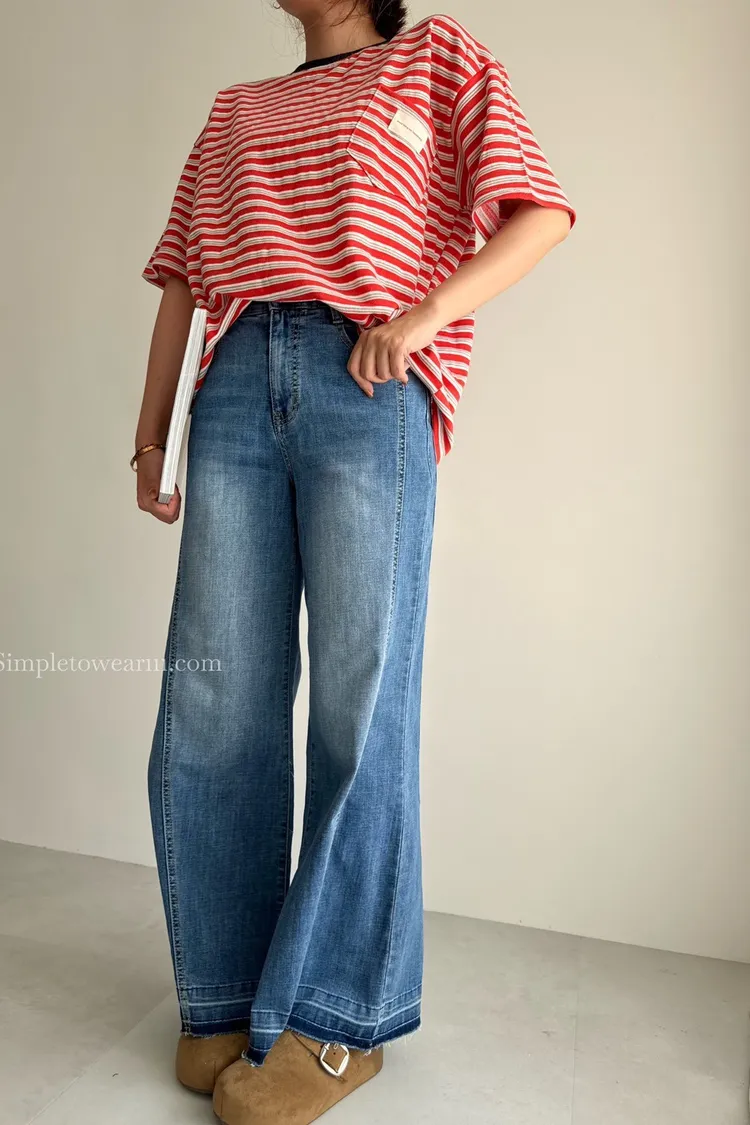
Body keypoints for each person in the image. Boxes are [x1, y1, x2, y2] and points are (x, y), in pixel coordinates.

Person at [133, 3, 575, 1122]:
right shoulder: (238, 108)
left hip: (366, 386)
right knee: (215, 696)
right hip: (236, 386)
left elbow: (540, 210)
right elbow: (184, 279)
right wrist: (151, 436)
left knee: (360, 703)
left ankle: (338, 1018)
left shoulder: (436, 57)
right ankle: (225, 994)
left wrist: (424, 318)